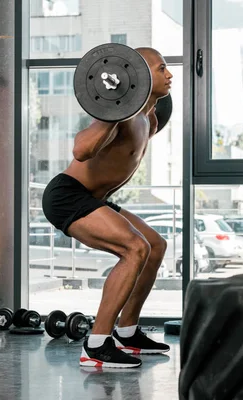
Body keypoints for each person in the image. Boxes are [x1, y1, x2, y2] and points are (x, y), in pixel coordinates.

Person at [42, 47, 173, 368]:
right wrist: (114, 110)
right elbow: (82, 149)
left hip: (95, 198)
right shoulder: (119, 114)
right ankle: (97, 344)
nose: (170, 75)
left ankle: (127, 332)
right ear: (139, 73)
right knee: (135, 248)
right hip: (68, 195)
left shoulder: (149, 119)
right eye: (161, 69)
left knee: (155, 246)